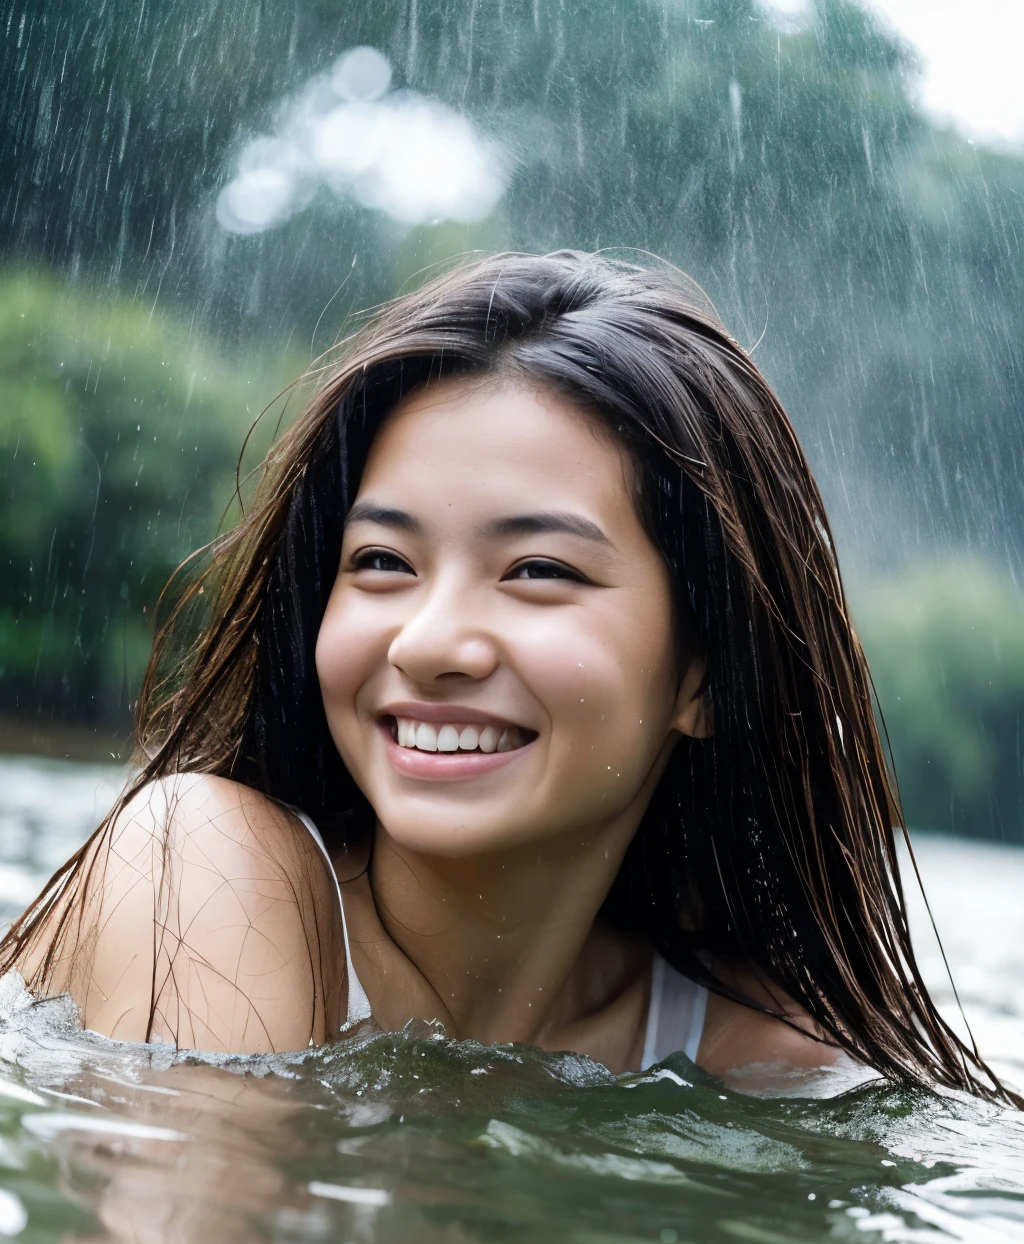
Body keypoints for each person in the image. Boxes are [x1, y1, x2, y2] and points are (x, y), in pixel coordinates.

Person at [0, 252, 1008, 1095]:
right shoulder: (201, 866)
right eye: (382, 562)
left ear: (705, 676)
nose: (431, 643)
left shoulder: (767, 1052)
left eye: (536, 571)